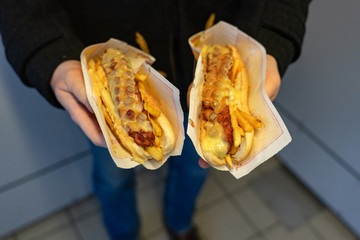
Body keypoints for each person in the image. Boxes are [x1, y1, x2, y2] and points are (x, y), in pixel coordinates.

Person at [0, 0, 311, 239]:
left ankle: (179, 224)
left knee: (195, 169)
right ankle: (124, 235)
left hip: (205, 66)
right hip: (97, 74)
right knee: (112, 177)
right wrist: (49, 54)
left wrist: (271, 35)